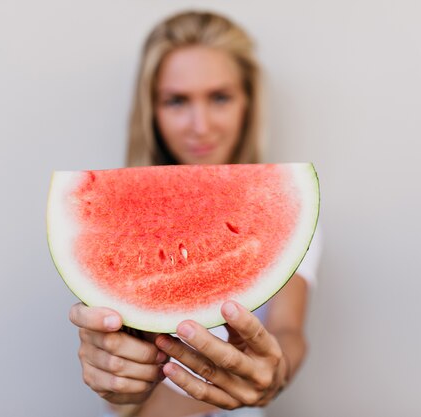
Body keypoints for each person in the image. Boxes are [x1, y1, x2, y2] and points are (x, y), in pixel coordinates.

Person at [68, 10, 321, 417]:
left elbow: (289, 330)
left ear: (247, 103)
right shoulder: (111, 221)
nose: (199, 126)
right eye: (177, 100)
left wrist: (276, 371)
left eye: (219, 97)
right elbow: (119, 365)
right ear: (152, 110)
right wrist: (116, 381)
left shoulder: (286, 209)